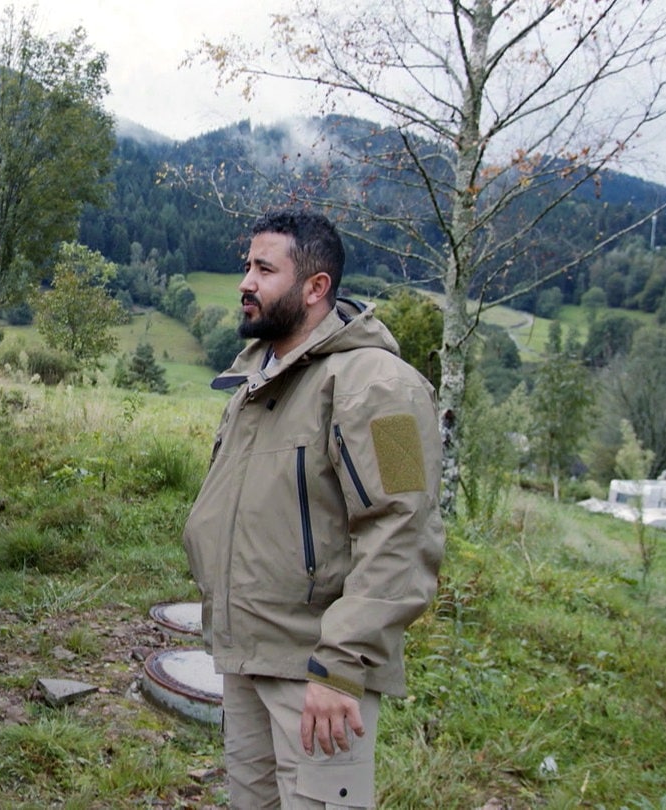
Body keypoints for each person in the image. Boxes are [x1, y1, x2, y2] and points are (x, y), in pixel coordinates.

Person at [182, 209, 445, 809]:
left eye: (264, 269)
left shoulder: (383, 387)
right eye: (246, 266)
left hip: (319, 674)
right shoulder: (259, 380)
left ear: (315, 286)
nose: (245, 281)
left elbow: (404, 528)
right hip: (249, 653)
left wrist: (343, 665)